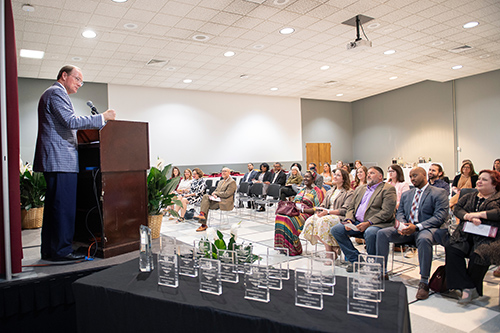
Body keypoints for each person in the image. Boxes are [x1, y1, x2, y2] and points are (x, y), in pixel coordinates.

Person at [34, 65, 116, 261]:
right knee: (62, 208)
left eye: (82, 81)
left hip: (57, 160)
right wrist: (102, 117)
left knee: (56, 208)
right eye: (77, 79)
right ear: (64, 75)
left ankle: (50, 250)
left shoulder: (54, 93)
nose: (80, 83)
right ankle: (61, 251)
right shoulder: (56, 92)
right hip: (59, 160)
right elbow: (70, 121)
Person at [376, 167, 449, 300]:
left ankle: (424, 281)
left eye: (415, 175)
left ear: (424, 175)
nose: (412, 178)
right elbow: (401, 213)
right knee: (382, 233)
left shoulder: (438, 192)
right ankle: (382, 272)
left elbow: (440, 217)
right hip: (408, 229)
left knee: (424, 239)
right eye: (410, 176)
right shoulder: (407, 194)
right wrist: (403, 225)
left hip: (427, 229)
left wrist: (417, 227)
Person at [445, 169, 500, 304]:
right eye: (479, 178)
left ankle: (469, 288)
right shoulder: (470, 196)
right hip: (465, 234)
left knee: (480, 255)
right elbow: (457, 209)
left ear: (494, 184)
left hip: (489, 239)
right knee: (452, 248)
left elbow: (498, 213)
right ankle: (468, 287)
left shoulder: (498, 198)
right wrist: (467, 216)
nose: (479, 181)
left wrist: (479, 214)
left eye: (484, 179)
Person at [330, 166, 397, 272]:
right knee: (336, 230)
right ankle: (356, 259)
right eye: (368, 173)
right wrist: (349, 220)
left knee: (370, 232)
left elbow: (387, 212)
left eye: (372, 173)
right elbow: (351, 207)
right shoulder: (361, 188)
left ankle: (373, 264)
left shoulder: (388, 189)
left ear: (380, 176)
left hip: (377, 224)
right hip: (357, 222)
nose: (368, 175)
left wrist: (369, 223)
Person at [302, 168, 353, 259]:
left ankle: (329, 253)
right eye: (335, 175)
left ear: (344, 178)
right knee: (311, 221)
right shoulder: (330, 191)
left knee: (323, 222)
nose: (335, 177)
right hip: (326, 214)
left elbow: (345, 210)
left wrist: (328, 212)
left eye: (338, 175)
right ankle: (333, 247)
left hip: (339, 216)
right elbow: (323, 204)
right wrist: (319, 210)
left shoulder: (349, 192)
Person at [274, 171, 325, 256]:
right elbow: (294, 202)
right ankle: (282, 246)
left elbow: (318, 208)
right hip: (295, 211)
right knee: (279, 217)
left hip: (307, 213)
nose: (305, 178)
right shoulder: (302, 190)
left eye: (308, 177)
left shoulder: (317, 191)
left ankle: (293, 248)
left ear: (313, 179)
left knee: (288, 219)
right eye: (304, 177)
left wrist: (303, 210)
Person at [194, 168, 237, 232]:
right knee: (205, 197)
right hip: (218, 200)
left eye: (225, 171)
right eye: (222, 171)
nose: (223, 173)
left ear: (229, 173)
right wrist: (214, 194)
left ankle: (203, 224)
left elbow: (227, 194)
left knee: (205, 205)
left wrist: (216, 194)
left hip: (225, 202)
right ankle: (202, 215)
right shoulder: (221, 181)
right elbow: (216, 190)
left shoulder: (232, 182)